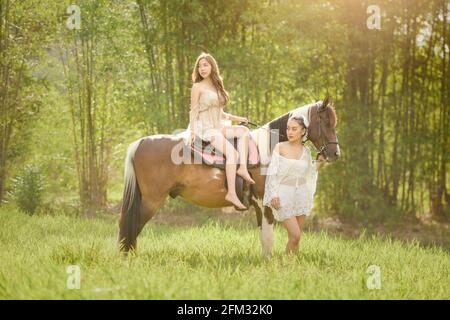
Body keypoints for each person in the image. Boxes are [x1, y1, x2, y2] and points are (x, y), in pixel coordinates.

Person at [187, 52, 255, 210]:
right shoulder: (197, 87)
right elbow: (193, 111)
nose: (202, 69)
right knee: (232, 153)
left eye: (205, 65)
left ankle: (243, 168)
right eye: (199, 66)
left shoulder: (216, 85)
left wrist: (238, 118)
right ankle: (231, 193)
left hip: (218, 125)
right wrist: (192, 133)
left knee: (243, 131)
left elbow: (221, 113)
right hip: (206, 128)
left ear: (212, 66)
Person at [262, 115, 326, 254]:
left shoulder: (306, 151)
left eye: (294, 129)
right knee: (295, 235)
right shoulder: (280, 147)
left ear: (303, 131)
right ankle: (284, 266)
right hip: (283, 195)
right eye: (288, 128)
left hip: (301, 195)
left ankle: (291, 267)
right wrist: (273, 194)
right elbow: (272, 173)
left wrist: (320, 162)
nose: (289, 132)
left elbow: (310, 172)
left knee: (296, 238)